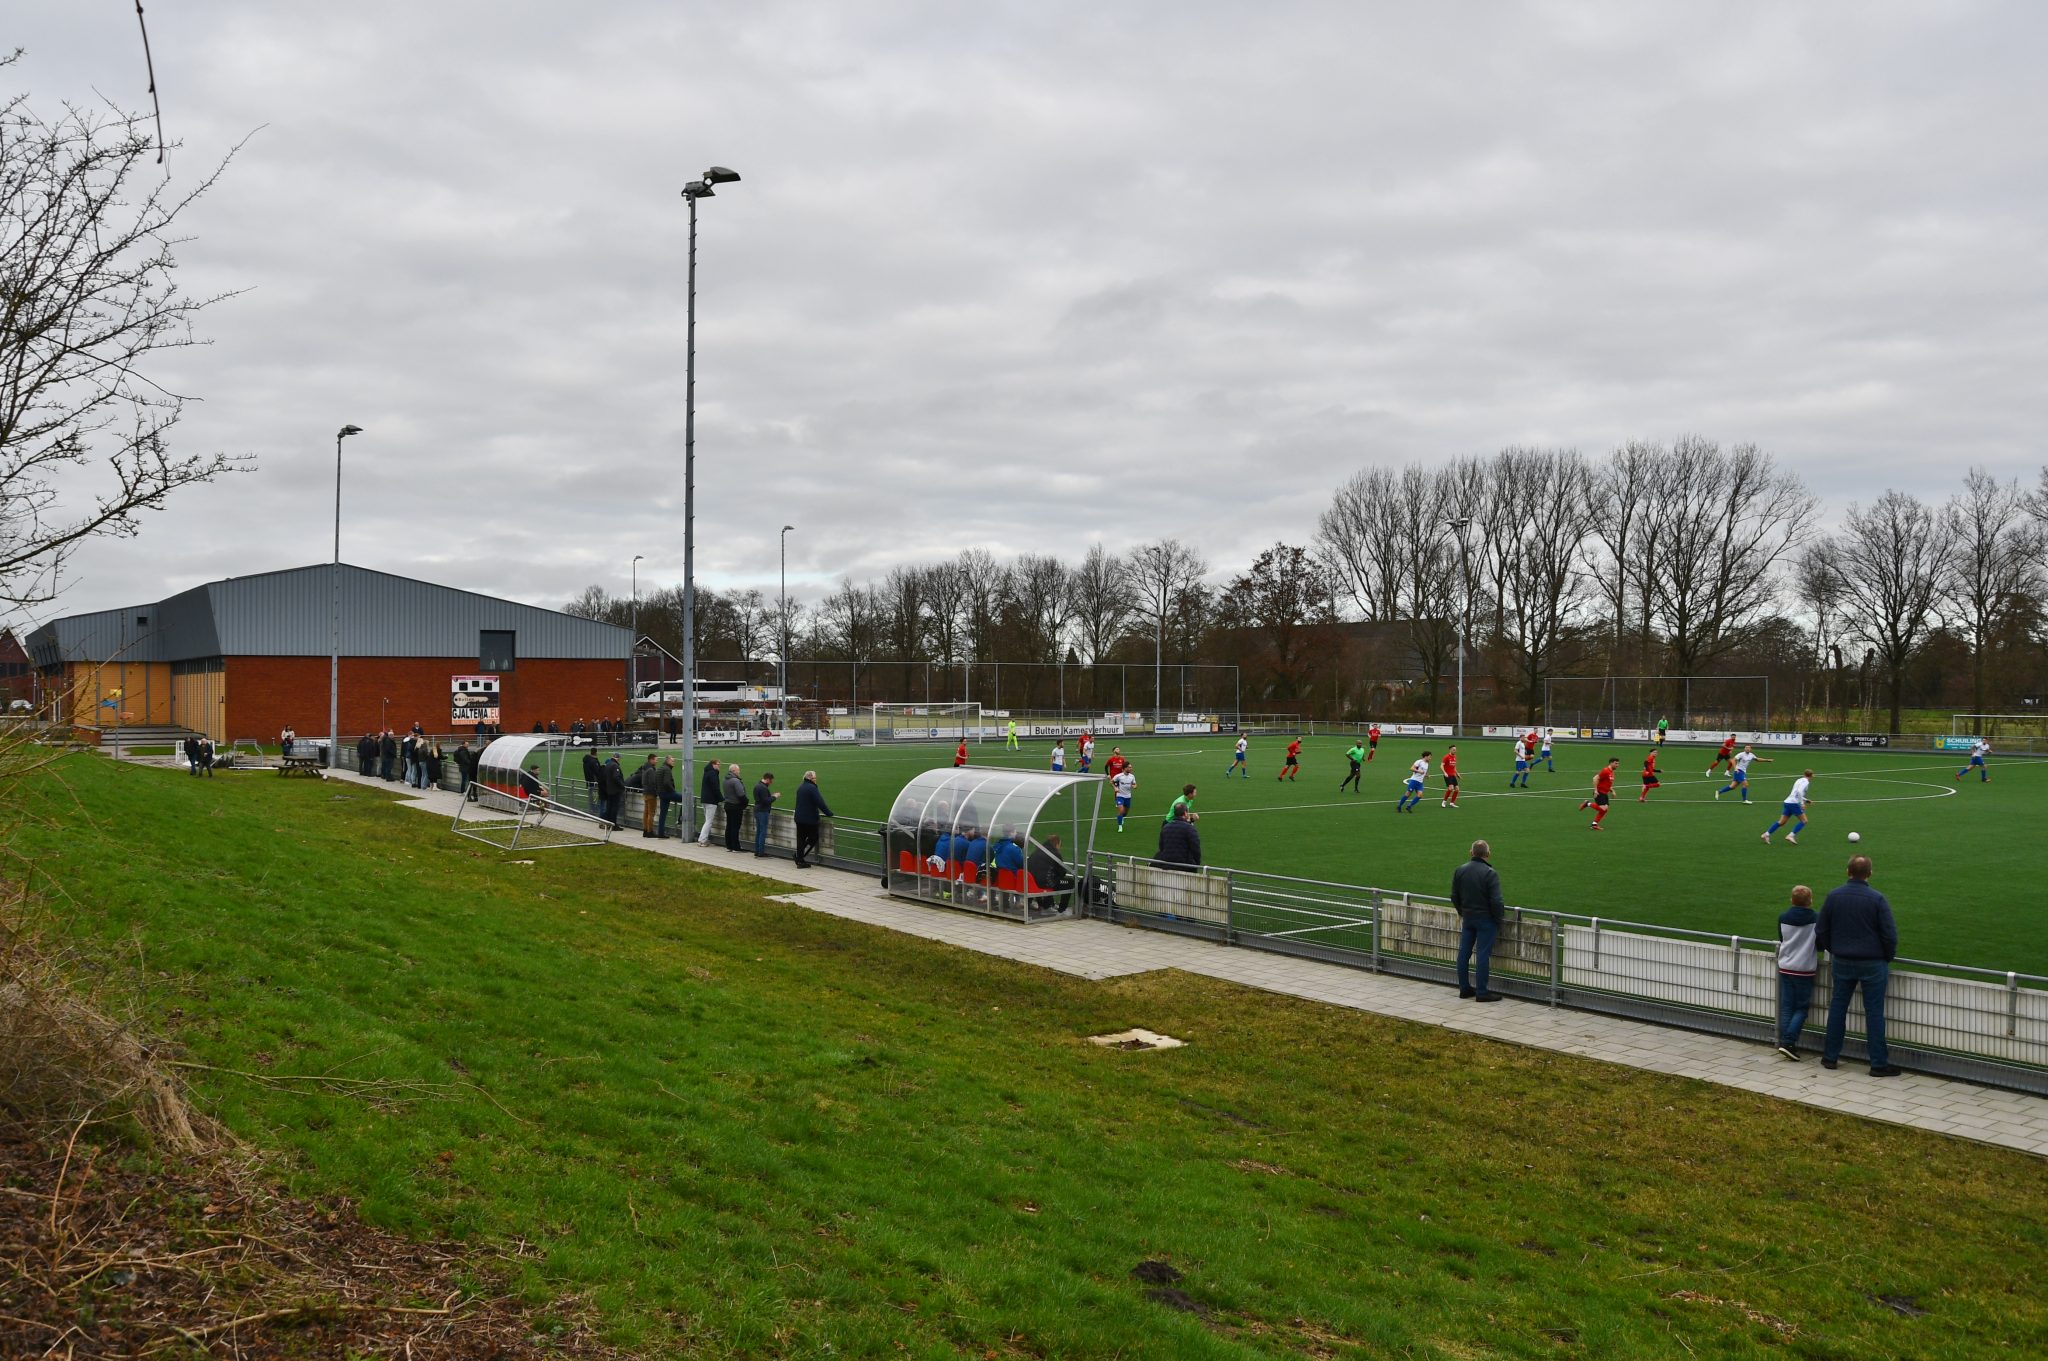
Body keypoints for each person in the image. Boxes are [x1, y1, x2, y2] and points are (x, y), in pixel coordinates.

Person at [1817, 855, 1901, 1076]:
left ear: (1848, 872)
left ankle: (1830, 1057)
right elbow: (1889, 934)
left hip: (1843, 960)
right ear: (1870, 874)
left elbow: (1821, 929)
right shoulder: (1877, 899)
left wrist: (1835, 948)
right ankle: (1878, 1063)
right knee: (1874, 1012)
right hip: (1873, 962)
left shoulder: (1834, 896)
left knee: (1838, 1007)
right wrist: (1886, 956)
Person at [1450, 839, 1504, 1002]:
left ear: (1471, 852)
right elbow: (1496, 901)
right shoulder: (1490, 873)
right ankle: (1481, 992)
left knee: (1464, 953)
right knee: (1482, 954)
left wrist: (1462, 911)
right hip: (1486, 920)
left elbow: (1454, 896)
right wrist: (1498, 919)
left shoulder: (1460, 870)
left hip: (1468, 918)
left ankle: (1464, 988)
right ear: (1488, 854)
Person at [1773, 884, 1820, 1060]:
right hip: (1804, 968)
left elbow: (1782, 938)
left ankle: (1785, 1042)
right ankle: (1788, 1042)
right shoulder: (1816, 918)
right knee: (1801, 1008)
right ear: (1810, 901)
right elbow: (1820, 942)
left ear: (1792, 900)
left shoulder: (1783, 917)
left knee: (1787, 1007)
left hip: (1786, 966)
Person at [792, 770, 833, 867]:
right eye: (815, 778)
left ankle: (799, 859)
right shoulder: (812, 788)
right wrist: (828, 813)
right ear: (811, 779)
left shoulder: (801, 787)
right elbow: (820, 802)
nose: (816, 780)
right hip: (809, 819)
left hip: (799, 818)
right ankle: (799, 857)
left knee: (801, 839)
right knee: (813, 838)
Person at [1762, 769, 1814, 845]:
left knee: (1781, 822)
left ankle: (1766, 834)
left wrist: (1805, 800)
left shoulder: (1799, 780)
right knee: (1804, 821)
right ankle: (1791, 836)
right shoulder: (1806, 782)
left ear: (1804, 774)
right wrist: (1802, 803)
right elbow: (1799, 792)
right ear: (1812, 776)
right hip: (1794, 804)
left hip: (1788, 802)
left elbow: (1795, 793)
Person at [1027, 833, 1072, 911]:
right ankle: (1062, 909)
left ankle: (1044, 904)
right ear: (1056, 844)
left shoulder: (1037, 851)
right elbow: (1062, 871)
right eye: (1060, 845)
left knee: (1048, 877)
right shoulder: (1055, 854)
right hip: (1043, 883)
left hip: (1032, 881)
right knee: (1070, 882)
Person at [1153, 805, 1202, 870]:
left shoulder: (1165, 827)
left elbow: (1161, 847)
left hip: (1167, 864)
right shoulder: (1190, 828)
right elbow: (1196, 849)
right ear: (1185, 813)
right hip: (1184, 866)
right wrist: (1196, 865)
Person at [1578, 757, 1619, 829]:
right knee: (1603, 809)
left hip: (1605, 793)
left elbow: (1607, 784)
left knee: (1605, 810)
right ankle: (1587, 803)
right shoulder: (1606, 770)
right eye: (1616, 763)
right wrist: (1595, 790)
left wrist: (1612, 791)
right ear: (1611, 763)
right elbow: (1595, 778)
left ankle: (1594, 824)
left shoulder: (1611, 772)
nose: (1617, 765)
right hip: (1599, 792)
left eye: (1618, 764)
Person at [751, 771, 778, 857]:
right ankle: (761, 852)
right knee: (762, 832)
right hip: (762, 811)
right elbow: (766, 801)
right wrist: (774, 797)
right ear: (767, 779)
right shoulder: (763, 788)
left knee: (759, 831)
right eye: (771, 781)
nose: (771, 783)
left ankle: (757, 851)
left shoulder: (757, 786)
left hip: (757, 810)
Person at [721, 763, 747, 852]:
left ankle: (729, 845)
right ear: (734, 771)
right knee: (735, 826)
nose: (739, 772)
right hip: (735, 806)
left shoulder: (725, 780)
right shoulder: (735, 781)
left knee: (729, 825)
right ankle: (736, 847)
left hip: (728, 805)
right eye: (738, 770)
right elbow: (741, 794)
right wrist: (745, 802)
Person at [699, 758, 726, 844]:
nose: (719, 766)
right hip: (711, 800)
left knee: (707, 820)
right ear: (713, 765)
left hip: (705, 799)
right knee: (709, 821)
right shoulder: (713, 774)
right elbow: (715, 788)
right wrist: (721, 798)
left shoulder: (707, 772)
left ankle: (702, 839)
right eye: (718, 764)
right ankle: (702, 840)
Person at [654, 756, 680, 838]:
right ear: (668, 761)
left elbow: (656, 782)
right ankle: (680, 820)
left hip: (661, 793)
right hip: (667, 793)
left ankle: (661, 833)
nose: (673, 762)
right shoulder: (667, 769)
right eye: (672, 761)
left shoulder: (660, 768)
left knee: (663, 814)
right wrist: (673, 791)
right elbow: (666, 782)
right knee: (687, 799)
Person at [600, 754, 627, 829]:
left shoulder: (608, 764)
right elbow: (616, 777)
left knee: (609, 807)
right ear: (617, 758)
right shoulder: (615, 766)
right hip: (615, 790)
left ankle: (607, 823)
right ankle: (613, 825)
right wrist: (622, 785)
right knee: (614, 808)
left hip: (609, 790)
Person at [1111, 766, 1137, 831]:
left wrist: (1134, 786)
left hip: (1128, 797)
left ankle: (1122, 817)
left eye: (1131, 767)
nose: (1131, 768)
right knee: (1121, 811)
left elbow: (1135, 784)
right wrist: (1115, 788)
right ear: (1124, 768)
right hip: (1120, 796)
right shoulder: (1118, 776)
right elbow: (1111, 781)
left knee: (1125, 813)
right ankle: (1120, 826)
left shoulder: (1132, 776)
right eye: (1129, 767)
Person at [582, 749, 604, 815]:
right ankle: (596, 809)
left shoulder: (586, 761)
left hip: (588, 780)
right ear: (596, 752)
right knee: (600, 794)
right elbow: (597, 772)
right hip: (595, 781)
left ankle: (591, 809)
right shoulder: (593, 761)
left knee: (591, 795)